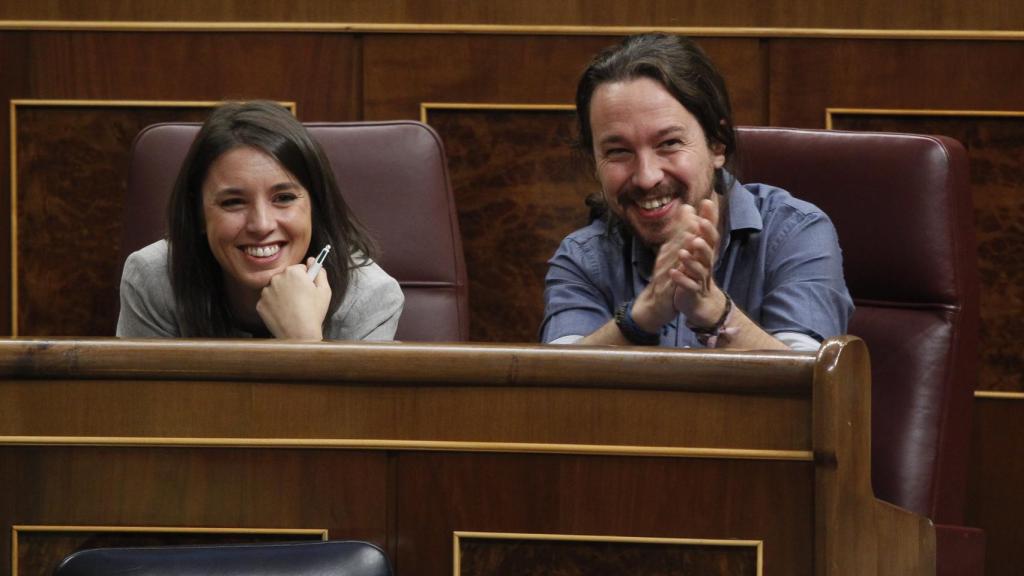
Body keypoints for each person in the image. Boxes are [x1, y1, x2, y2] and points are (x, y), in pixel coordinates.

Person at [541, 34, 853, 350]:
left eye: (669, 143)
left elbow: (811, 379)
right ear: (595, 163)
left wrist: (715, 312)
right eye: (618, 151)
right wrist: (640, 318)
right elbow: (555, 379)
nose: (646, 177)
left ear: (717, 144)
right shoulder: (582, 258)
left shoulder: (795, 232)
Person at [117, 100, 404, 340]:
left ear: (315, 206)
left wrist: (303, 340)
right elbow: (146, 394)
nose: (262, 225)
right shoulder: (154, 280)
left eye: (284, 198)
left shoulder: (369, 297)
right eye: (233, 202)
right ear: (198, 214)